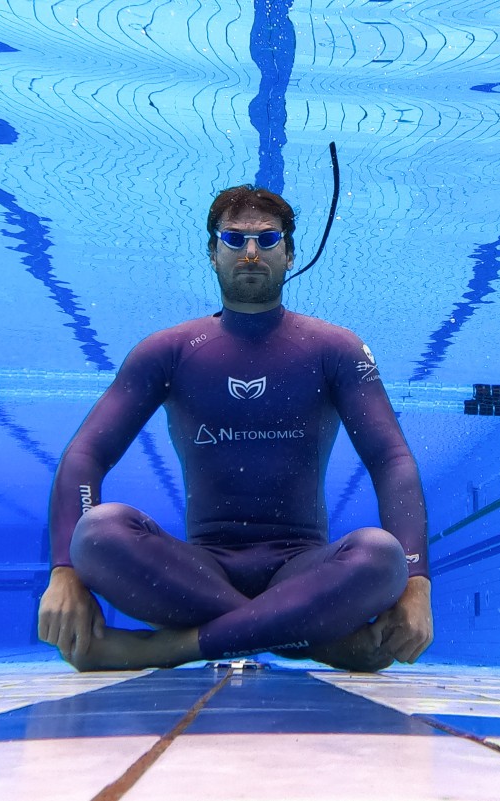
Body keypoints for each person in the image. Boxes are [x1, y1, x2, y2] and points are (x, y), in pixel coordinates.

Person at [37, 185, 432, 671]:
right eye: (234, 238)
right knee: (97, 532)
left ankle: (165, 649)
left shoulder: (335, 349)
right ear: (212, 253)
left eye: (267, 240)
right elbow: (84, 457)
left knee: (382, 555)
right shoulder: (169, 350)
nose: (250, 252)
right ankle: (311, 641)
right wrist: (65, 570)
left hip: (304, 570)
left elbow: (391, 461)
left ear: (289, 254)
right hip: (196, 573)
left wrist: (417, 582)